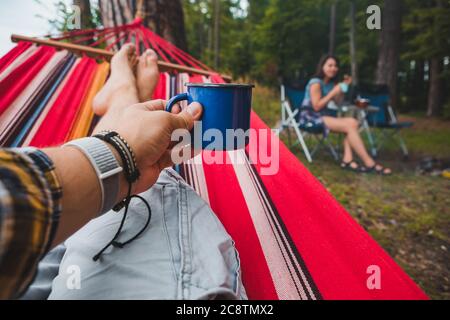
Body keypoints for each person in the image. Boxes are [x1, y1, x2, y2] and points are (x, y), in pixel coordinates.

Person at [0, 44, 246, 300]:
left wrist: (123, 153)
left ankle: (123, 94)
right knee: (144, 192)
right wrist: (125, 156)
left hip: (25, 263)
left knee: (85, 232)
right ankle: (125, 96)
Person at [300, 55, 391, 175]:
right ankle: (369, 163)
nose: (333, 68)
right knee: (350, 125)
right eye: (330, 65)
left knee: (353, 122)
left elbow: (337, 102)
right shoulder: (315, 83)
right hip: (311, 117)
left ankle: (347, 160)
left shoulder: (332, 84)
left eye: (335, 66)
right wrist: (334, 92)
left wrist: (342, 89)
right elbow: (316, 106)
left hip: (325, 116)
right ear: (322, 67)